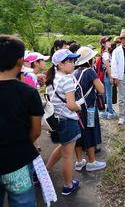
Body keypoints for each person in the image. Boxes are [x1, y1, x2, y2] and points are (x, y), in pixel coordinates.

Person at [0, 35, 43, 207]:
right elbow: (36, 131)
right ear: (20, 61)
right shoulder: (28, 93)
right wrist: (21, 145)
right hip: (18, 162)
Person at [45, 49, 82, 196]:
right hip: (67, 122)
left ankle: (46, 169)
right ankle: (68, 185)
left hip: (56, 122)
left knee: (63, 148)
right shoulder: (67, 80)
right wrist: (79, 107)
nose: (73, 64)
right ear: (60, 64)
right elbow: (71, 105)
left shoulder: (53, 78)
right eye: (70, 61)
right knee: (68, 155)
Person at [73, 47, 107, 171]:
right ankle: (91, 162)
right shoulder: (89, 71)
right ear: (89, 59)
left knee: (79, 135)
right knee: (90, 132)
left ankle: (79, 161)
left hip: (76, 109)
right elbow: (101, 89)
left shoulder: (74, 72)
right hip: (89, 109)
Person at [99, 36, 117, 119]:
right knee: (109, 94)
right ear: (103, 44)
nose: (109, 42)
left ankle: (103, 111)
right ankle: (110, 112)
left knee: (104, 94)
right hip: (107, 75)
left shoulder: (104, 52)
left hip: (105, 76)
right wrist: (111, 77)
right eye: (107, 41)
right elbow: (107, 66)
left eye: (109, 41)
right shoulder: (106, 53)